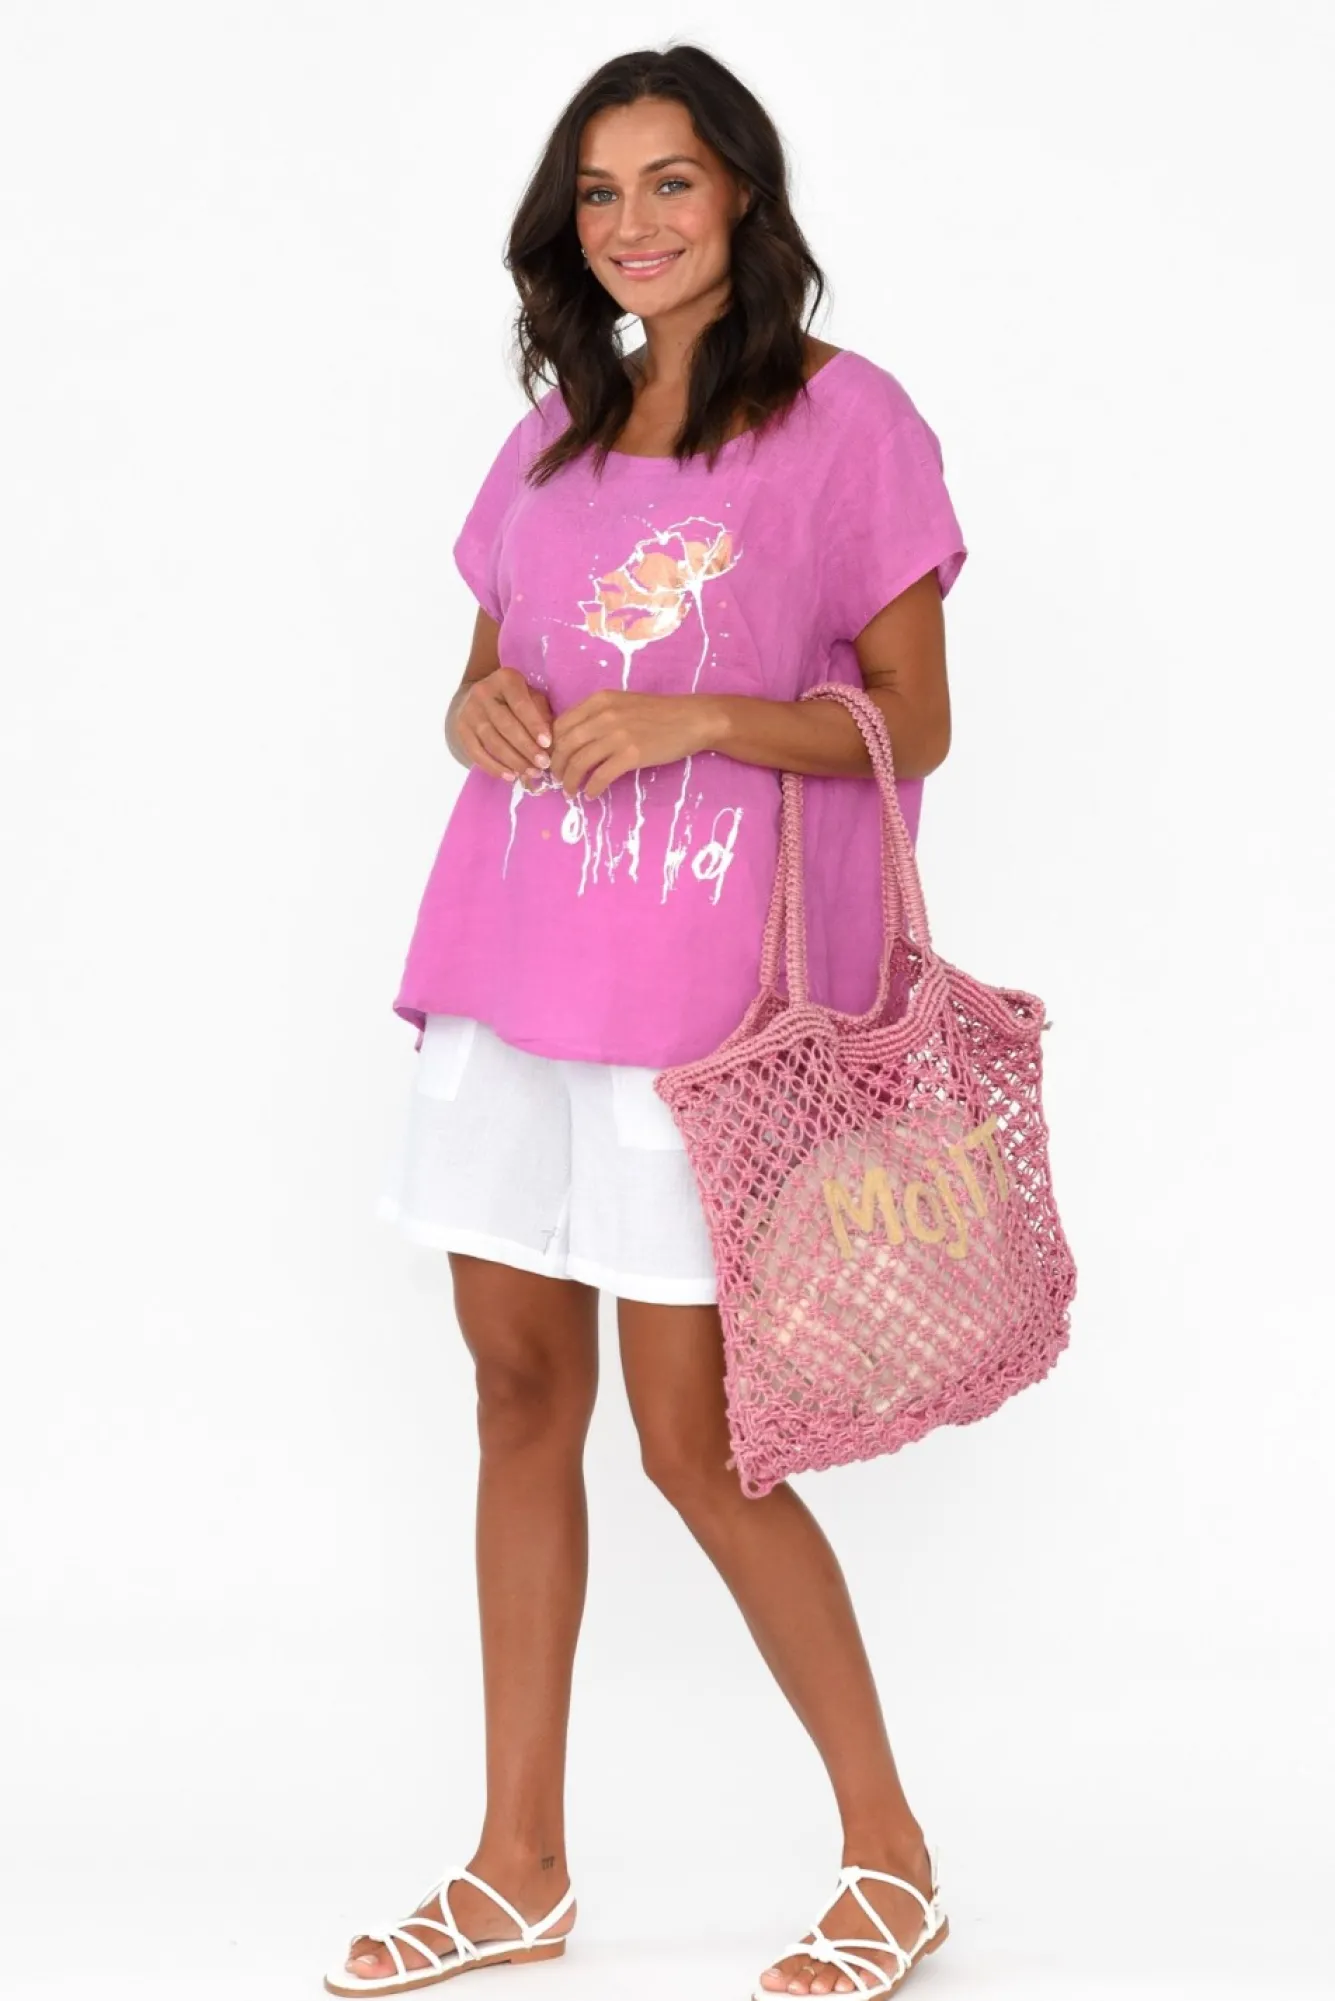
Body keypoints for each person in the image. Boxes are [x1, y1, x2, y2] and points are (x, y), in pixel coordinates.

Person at [325, 41, 967, 2001]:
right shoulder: (554, 434)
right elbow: (483, 678)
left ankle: (891, 1855)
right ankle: (515, 1865)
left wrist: (702, 715)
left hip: (699, 1011)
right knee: (519, 1399)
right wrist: (477, 712)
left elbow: (915, 722)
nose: (633, 224)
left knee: (703, 1445)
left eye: (669, 181)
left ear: (743, 192)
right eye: (598, 193)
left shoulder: (847, 420)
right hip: (511, 969)